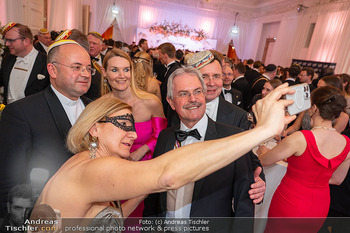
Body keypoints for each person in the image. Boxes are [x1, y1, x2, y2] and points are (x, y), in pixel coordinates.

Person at [30, 83, 297, 228]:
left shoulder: (83, 161)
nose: (133, 134)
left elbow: (107, 218)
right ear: (94, 128)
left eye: (132, 126)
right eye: (122, 124)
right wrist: (264, 131)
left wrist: (144, 186)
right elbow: (166, 175)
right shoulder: (95, 170)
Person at [143, 67, 257, 232]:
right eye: (183, 94)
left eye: (197, 91)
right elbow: (153, 197)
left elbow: (244, 206)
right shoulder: (165, 138)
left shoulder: (232, 139)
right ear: (171, 102)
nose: (193, 99)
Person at [0, 40, 92, 218]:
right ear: (52, 70)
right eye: (77, 67)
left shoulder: (95, 109)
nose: (85, 74)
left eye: (88, 68)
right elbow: (9, 178)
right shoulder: (22, 112)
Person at [258, 85, 350, 233]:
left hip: (290, 202)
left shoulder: (301, 138)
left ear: (313, 108)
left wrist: (263, 151)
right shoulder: (347, 143)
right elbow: (337, 179)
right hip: (320, 207)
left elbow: (264, 160)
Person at [100, 49, 167, 218]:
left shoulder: (150, 102)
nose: (121, 75)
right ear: (105, 72)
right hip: (112, 176)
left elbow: (163, 135)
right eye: (114, 70)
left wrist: (142, 150)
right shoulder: (100, 106)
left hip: (146, 175)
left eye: (126, 69)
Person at [0, 22, 49, 104]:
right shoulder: (8, 58)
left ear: (26, 41)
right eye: (6, 40)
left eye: (11, 40)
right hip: (8, 111)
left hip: (32, 113)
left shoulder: (46, 61)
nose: (6, 44)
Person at [85, 31, 104, 100]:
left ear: (101, 46)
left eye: (94, 43)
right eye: (89, 43)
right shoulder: (82, 60)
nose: (91, 46)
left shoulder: (107, 59)